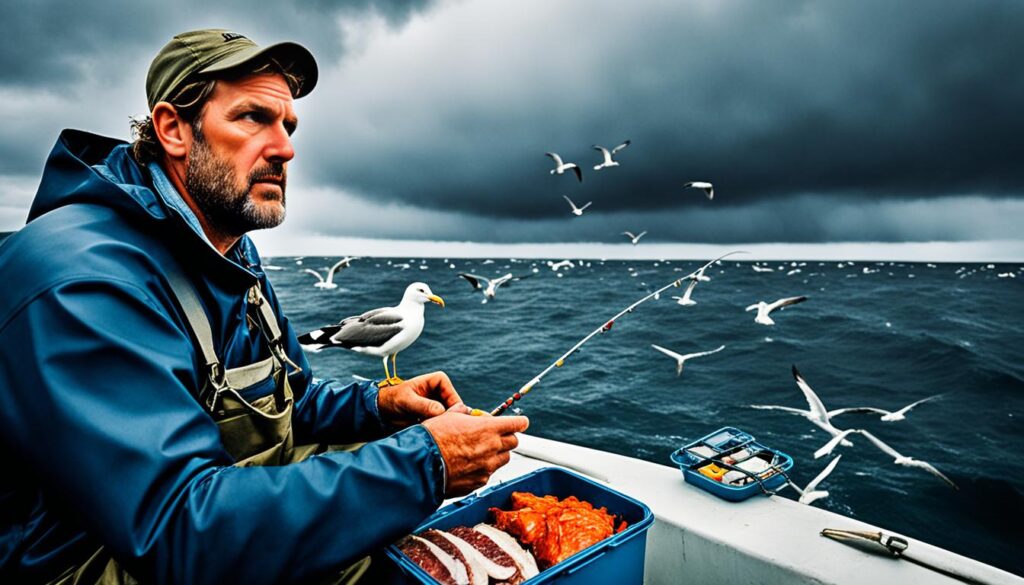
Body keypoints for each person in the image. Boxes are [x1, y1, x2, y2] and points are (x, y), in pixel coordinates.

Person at [0, 29, 528, 585]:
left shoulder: (227, 248)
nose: (285, 149)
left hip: (188, 512)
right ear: (173, 129)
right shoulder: (83, 281)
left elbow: (290, 397)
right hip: (84, 557)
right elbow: (177, 531)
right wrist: (425, 462)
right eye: (253, 118)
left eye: (288, 126)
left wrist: (379, 406)